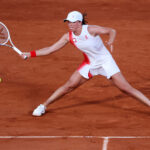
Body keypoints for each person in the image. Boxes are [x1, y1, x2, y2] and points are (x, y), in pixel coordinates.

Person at [22, 11, 150, 116]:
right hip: (90, 63)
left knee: (126, 88)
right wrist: (30, 53)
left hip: (105, 62)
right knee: (69, 86)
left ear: (79, 22)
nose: (69, 25)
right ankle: (43, 106)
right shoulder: (68, 37)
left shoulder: (91, 29)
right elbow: (50, 49)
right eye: (68, 22)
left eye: (72, 22)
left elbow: (112, 30)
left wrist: (110, 41)